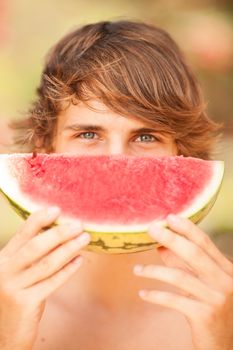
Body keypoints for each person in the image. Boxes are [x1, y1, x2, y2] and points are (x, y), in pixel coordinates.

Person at [1, 20, 233, 350]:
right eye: (88, 134)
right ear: (45, 146)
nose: (116, 159)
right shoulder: (4, 304)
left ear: (180, 152)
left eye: (146, 136)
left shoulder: (225, 307)